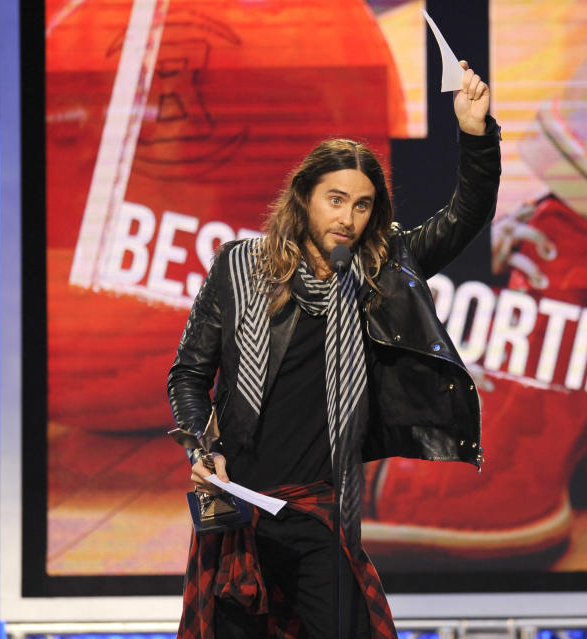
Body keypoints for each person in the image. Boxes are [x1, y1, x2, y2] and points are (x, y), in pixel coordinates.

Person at [167, 60, 500, 639]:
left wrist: (475, 135)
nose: (348, 218)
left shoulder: (382, 270)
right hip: (238, 505)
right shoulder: (239, 266)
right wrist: (200, 446)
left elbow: (465, 216)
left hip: (320, 511)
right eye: (336, 199)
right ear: (304, 196)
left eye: (363, 204)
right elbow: (189, 375)